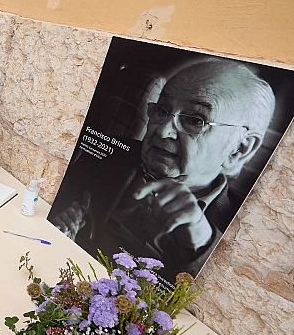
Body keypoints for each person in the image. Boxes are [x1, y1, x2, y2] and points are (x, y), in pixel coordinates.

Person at [49, 59, 275, 282]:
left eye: (195, 120)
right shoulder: (102, 154)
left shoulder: (244, 232)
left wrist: (201, 241)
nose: (163, 130)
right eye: (162, 109)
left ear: (240, 149)